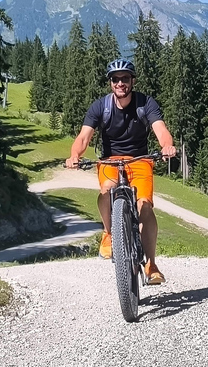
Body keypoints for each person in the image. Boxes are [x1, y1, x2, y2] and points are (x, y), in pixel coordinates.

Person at [66, 59, 176, 284]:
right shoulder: (101, 107)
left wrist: (166, 146)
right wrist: (75, 155)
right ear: (110, 83)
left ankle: (151, 264)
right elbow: (84, 137)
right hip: (110, 161)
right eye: (115, 79)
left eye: (125, 78)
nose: (120, 83)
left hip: (140, 160)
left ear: (132, 81)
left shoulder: (146, 103)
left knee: (144, 205)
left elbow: (161, 130)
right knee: (106, 191)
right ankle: (108, 234)